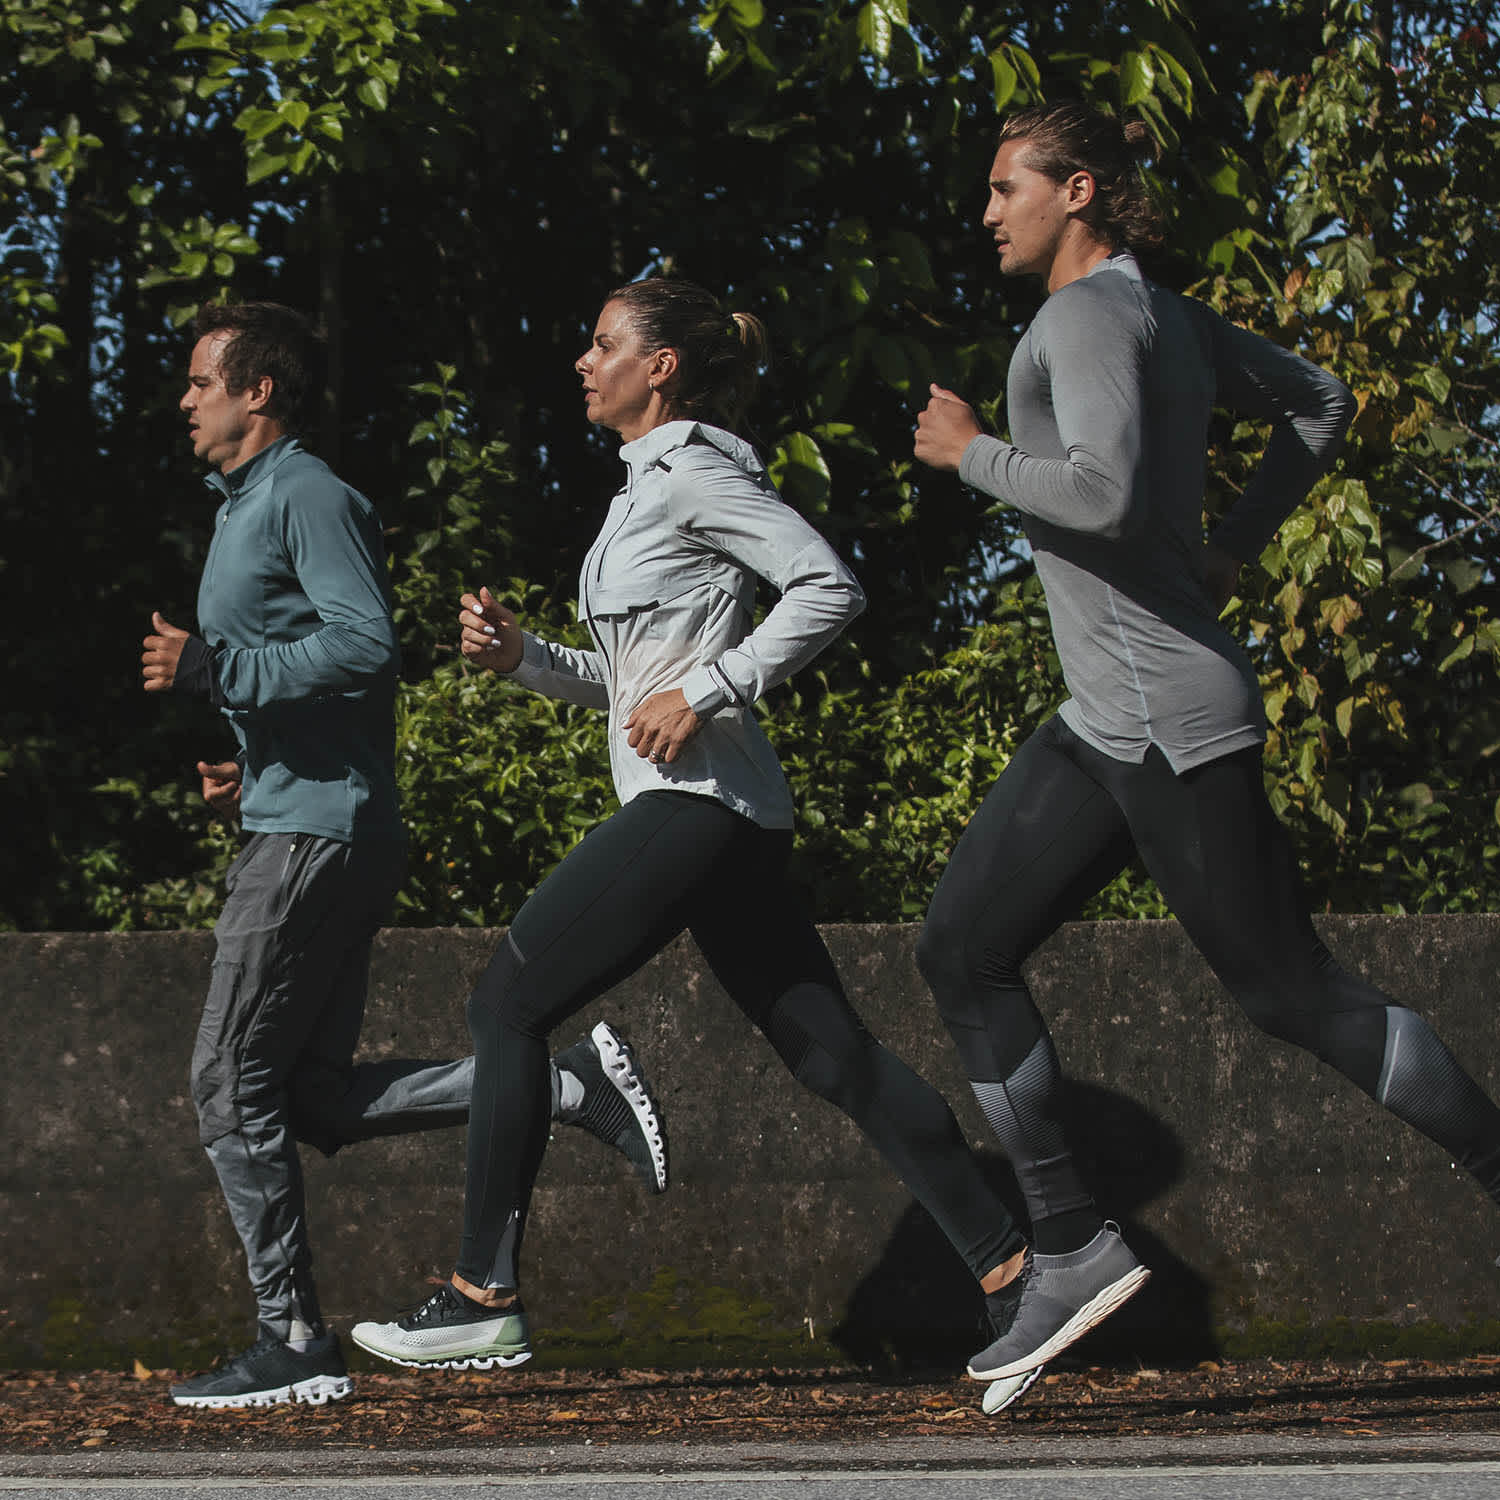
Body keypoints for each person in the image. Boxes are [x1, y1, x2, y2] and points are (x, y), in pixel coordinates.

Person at [349, 278, 1036, 1402]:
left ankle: (482, 1297)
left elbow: (828, 586)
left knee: (509, 1005)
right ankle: (1013, 1270)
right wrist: (520, 658)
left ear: (658, 367)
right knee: (833, 1057)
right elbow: (632, 689)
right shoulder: (641, 489)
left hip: (696, 808)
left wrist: (714, 689)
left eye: (604, 343)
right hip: (726, 816)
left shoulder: (696, 474)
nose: (583, 360)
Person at [911, 100, 1500, 1386]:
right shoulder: (1160, 314)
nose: (991, 210)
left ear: (1075, 193)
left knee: (1294, 996)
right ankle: (1068, 1245)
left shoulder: (1086, 317)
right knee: (962, 945)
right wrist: (1231, 550)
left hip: (1165, 723)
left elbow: (1107, 494)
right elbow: (1320, 402)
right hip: (1106, 717)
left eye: (1009, 186)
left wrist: (973, 455)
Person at [141, 300, 668, 1411]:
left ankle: (290, 1341)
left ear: (257, 391)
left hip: (314, 839)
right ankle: (562, 1085)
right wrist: (250, 762)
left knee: (228, 1087)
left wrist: (218, 675)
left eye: (200, 381)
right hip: (302, 814)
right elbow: (313, 671)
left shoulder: (306, 493)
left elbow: (364, 643)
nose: (185, 400)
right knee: (314, 1099)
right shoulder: (243, 508)